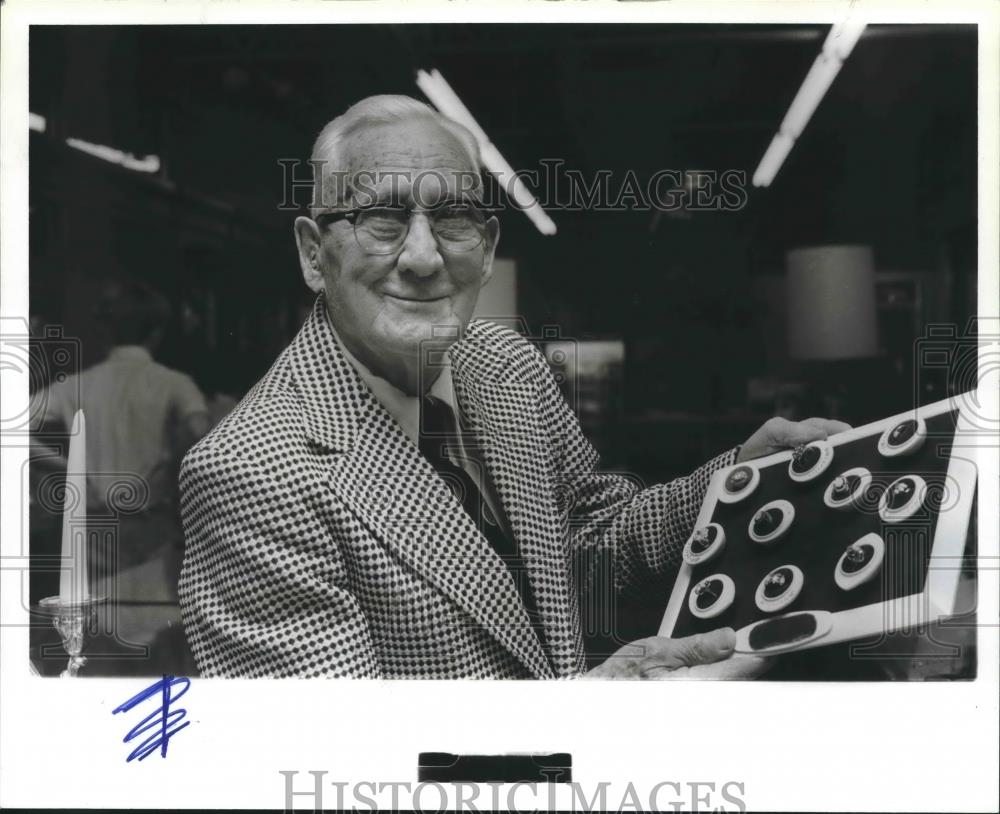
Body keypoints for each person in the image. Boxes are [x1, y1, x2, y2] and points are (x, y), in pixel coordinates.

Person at [177, 95, 848, 679]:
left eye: (453, 219)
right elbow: (344, 761)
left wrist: (735, 484)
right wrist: (593, 709)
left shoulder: (506, 364)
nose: (421, 256)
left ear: (487, 245)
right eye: (381, 218)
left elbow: (592, 544)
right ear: (312, 253)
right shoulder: (249, 475)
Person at [38, 281, 211, 632]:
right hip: (151, 526)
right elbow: (205, 442)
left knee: (96, 630)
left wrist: (72, 469)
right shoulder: (174, 384)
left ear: (108, 330)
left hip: (90, 527)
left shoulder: (74, 386)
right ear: (157, 332)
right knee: (150, 626)